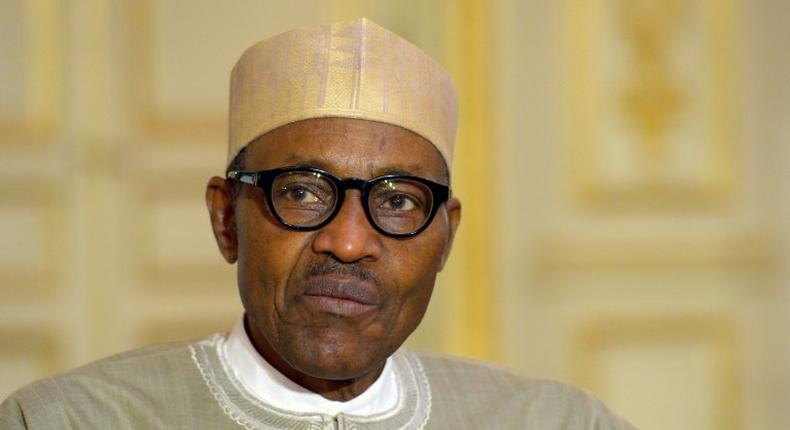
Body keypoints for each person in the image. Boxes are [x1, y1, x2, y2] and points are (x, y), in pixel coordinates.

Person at [0, 18, 634, 429]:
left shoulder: (554, 422)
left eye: (398, 201)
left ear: (446, 236)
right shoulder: (73, 420)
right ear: (226, 219)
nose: (349, 242)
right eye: (303, 192)